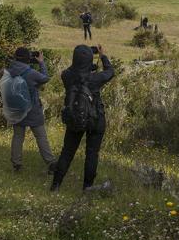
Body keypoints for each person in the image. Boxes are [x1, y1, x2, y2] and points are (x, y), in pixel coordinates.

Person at [50, 44, 115, 192]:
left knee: (67, 152)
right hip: (95, 118)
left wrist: (83, 62)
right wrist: (102, 56)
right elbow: (110, 72)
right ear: (88, 61)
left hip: (75, 117)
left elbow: (72, 71)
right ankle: (87, 187)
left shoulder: (66, 76)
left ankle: (55, 185)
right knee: (92, 154)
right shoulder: (95, 79)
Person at [7, 47, 57, 173]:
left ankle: (16, 164)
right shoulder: (31, 73)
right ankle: (50, 163)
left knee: (18, 136)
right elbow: (45, 78)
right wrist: (41, 62)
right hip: (32, 108)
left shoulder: (10, 70)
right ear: (27, 58)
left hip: (16, 107)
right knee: (40, 136)